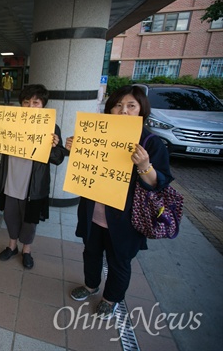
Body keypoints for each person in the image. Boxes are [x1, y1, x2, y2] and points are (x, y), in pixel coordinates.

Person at [66, 85, 173, 320]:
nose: (123, 111)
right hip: (94, 211)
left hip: (126, 219)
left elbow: (160, 183)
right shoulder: (97, 133)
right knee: (91, 252)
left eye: (131, 106)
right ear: (109, 109)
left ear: (142, 110)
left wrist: (145, 166)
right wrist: (75, 148)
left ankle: (111, 298)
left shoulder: (151, 142)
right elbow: (87, 165)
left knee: (119, 260)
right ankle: (91, 285)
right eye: (117, 105)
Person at [0, 84, 66, 269]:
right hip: (11, 180)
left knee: (30, 221)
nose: (30, 106)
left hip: (34, 186)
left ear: (43, 105)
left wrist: (54, 146)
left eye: (35, 102)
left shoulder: (52, 127)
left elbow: (58, 158)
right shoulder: (10, 122)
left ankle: (26, 250)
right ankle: (12, 246)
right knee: (10, 216)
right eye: (26, 102)